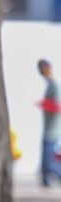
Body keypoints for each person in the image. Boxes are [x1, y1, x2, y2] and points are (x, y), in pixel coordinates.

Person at [37, 59, 61, 188]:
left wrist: (45, 105)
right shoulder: (50, 84)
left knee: (50, 156)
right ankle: (45, 179)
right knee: (48, 155)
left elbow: (57, 106)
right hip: (49, 126)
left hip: (52, 127)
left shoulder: (54, 85)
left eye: (42, 68)